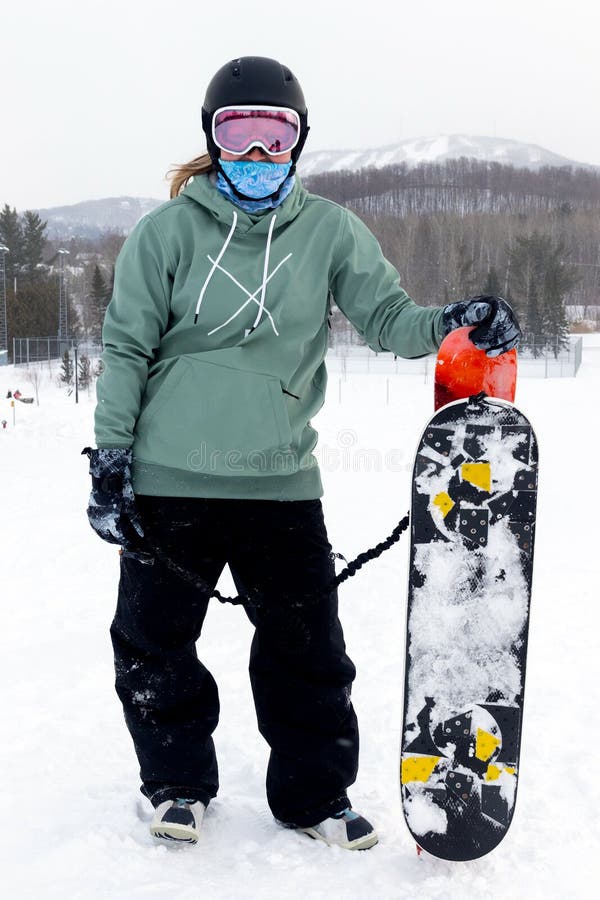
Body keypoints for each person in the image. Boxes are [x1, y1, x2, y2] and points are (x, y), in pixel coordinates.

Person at [83, 56, 520, 851]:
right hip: (167, 481)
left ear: (299, 141)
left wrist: (455, 320)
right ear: (212, 141)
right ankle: (176, 784)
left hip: (278, 481)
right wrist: (111, 460)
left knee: (307, 650)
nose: (256, 154)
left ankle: (316, 794)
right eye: (238, 132)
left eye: (273, 133)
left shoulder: (329, 232)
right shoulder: (166, 232)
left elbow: (388, 318)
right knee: (154, 645)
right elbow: (125, 348)